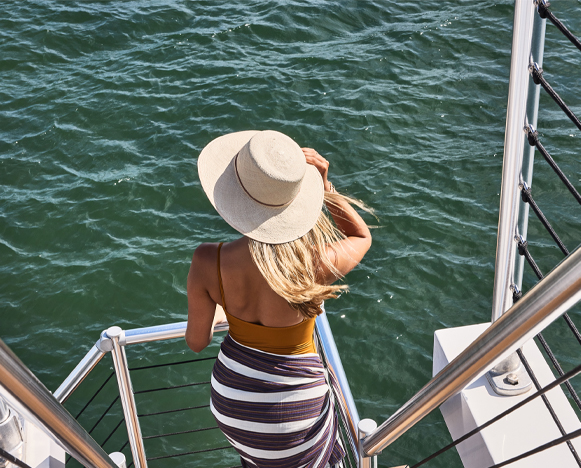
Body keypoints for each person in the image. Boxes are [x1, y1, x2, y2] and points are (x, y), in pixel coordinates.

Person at [185, 130, 371, 468]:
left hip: (231, 402)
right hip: (296, 411)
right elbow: (361, 235)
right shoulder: (312, 265)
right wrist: (327, 189)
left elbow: (196, 341)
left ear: (235, 195)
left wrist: (223, 312)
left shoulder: (206, 261)